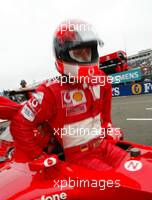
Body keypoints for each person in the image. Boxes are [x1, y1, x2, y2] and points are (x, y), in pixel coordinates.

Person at [10, 19, 125, 170]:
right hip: (80, 156)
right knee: (117, 184)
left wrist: (108, 127)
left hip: (104, 145)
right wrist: (38, 156)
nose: (86, 58)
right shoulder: (50, 91)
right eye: (78, 53)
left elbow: (105, 112)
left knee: (134, 169)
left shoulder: (102, 79)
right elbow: (19, 124)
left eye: (88, 52)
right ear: (62, 55)